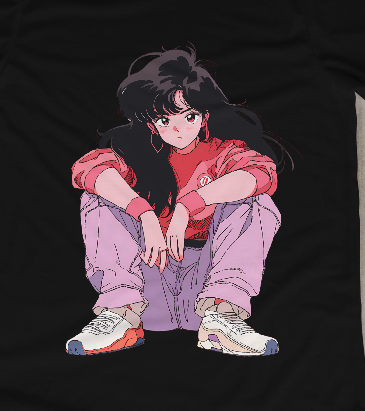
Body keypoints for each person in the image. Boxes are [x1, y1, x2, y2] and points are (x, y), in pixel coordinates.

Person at [68, 46, 292, 356]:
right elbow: (89, 169)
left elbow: (260, 174)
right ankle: (120, 317)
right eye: (164, 119)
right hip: (145, 284)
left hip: (206, 285)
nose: (178, 129)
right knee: (98, 198)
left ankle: (222, 318)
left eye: (189, 116)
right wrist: (144, 213)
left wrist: (189, 205)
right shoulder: (133, 153)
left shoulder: (224, 152)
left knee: (254, 200)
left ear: (204, 116)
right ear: (151, 123)